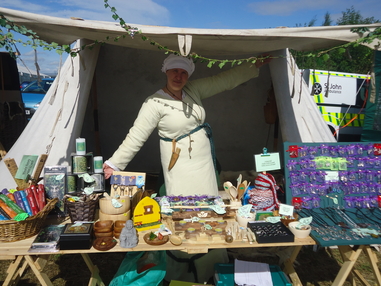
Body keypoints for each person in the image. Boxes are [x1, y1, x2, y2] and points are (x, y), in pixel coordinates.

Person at [103, 53, 271, 196]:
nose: (179, 76)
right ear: (166, 71)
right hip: (179, 164)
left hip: (204, 163)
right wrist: (114, 164)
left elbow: (223, 80)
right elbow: (136, 135)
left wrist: (254, 64)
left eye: (183, 72)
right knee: (183, 205)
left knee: (207, 205)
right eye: (175, 71)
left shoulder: (193, 90)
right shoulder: (154, 102)